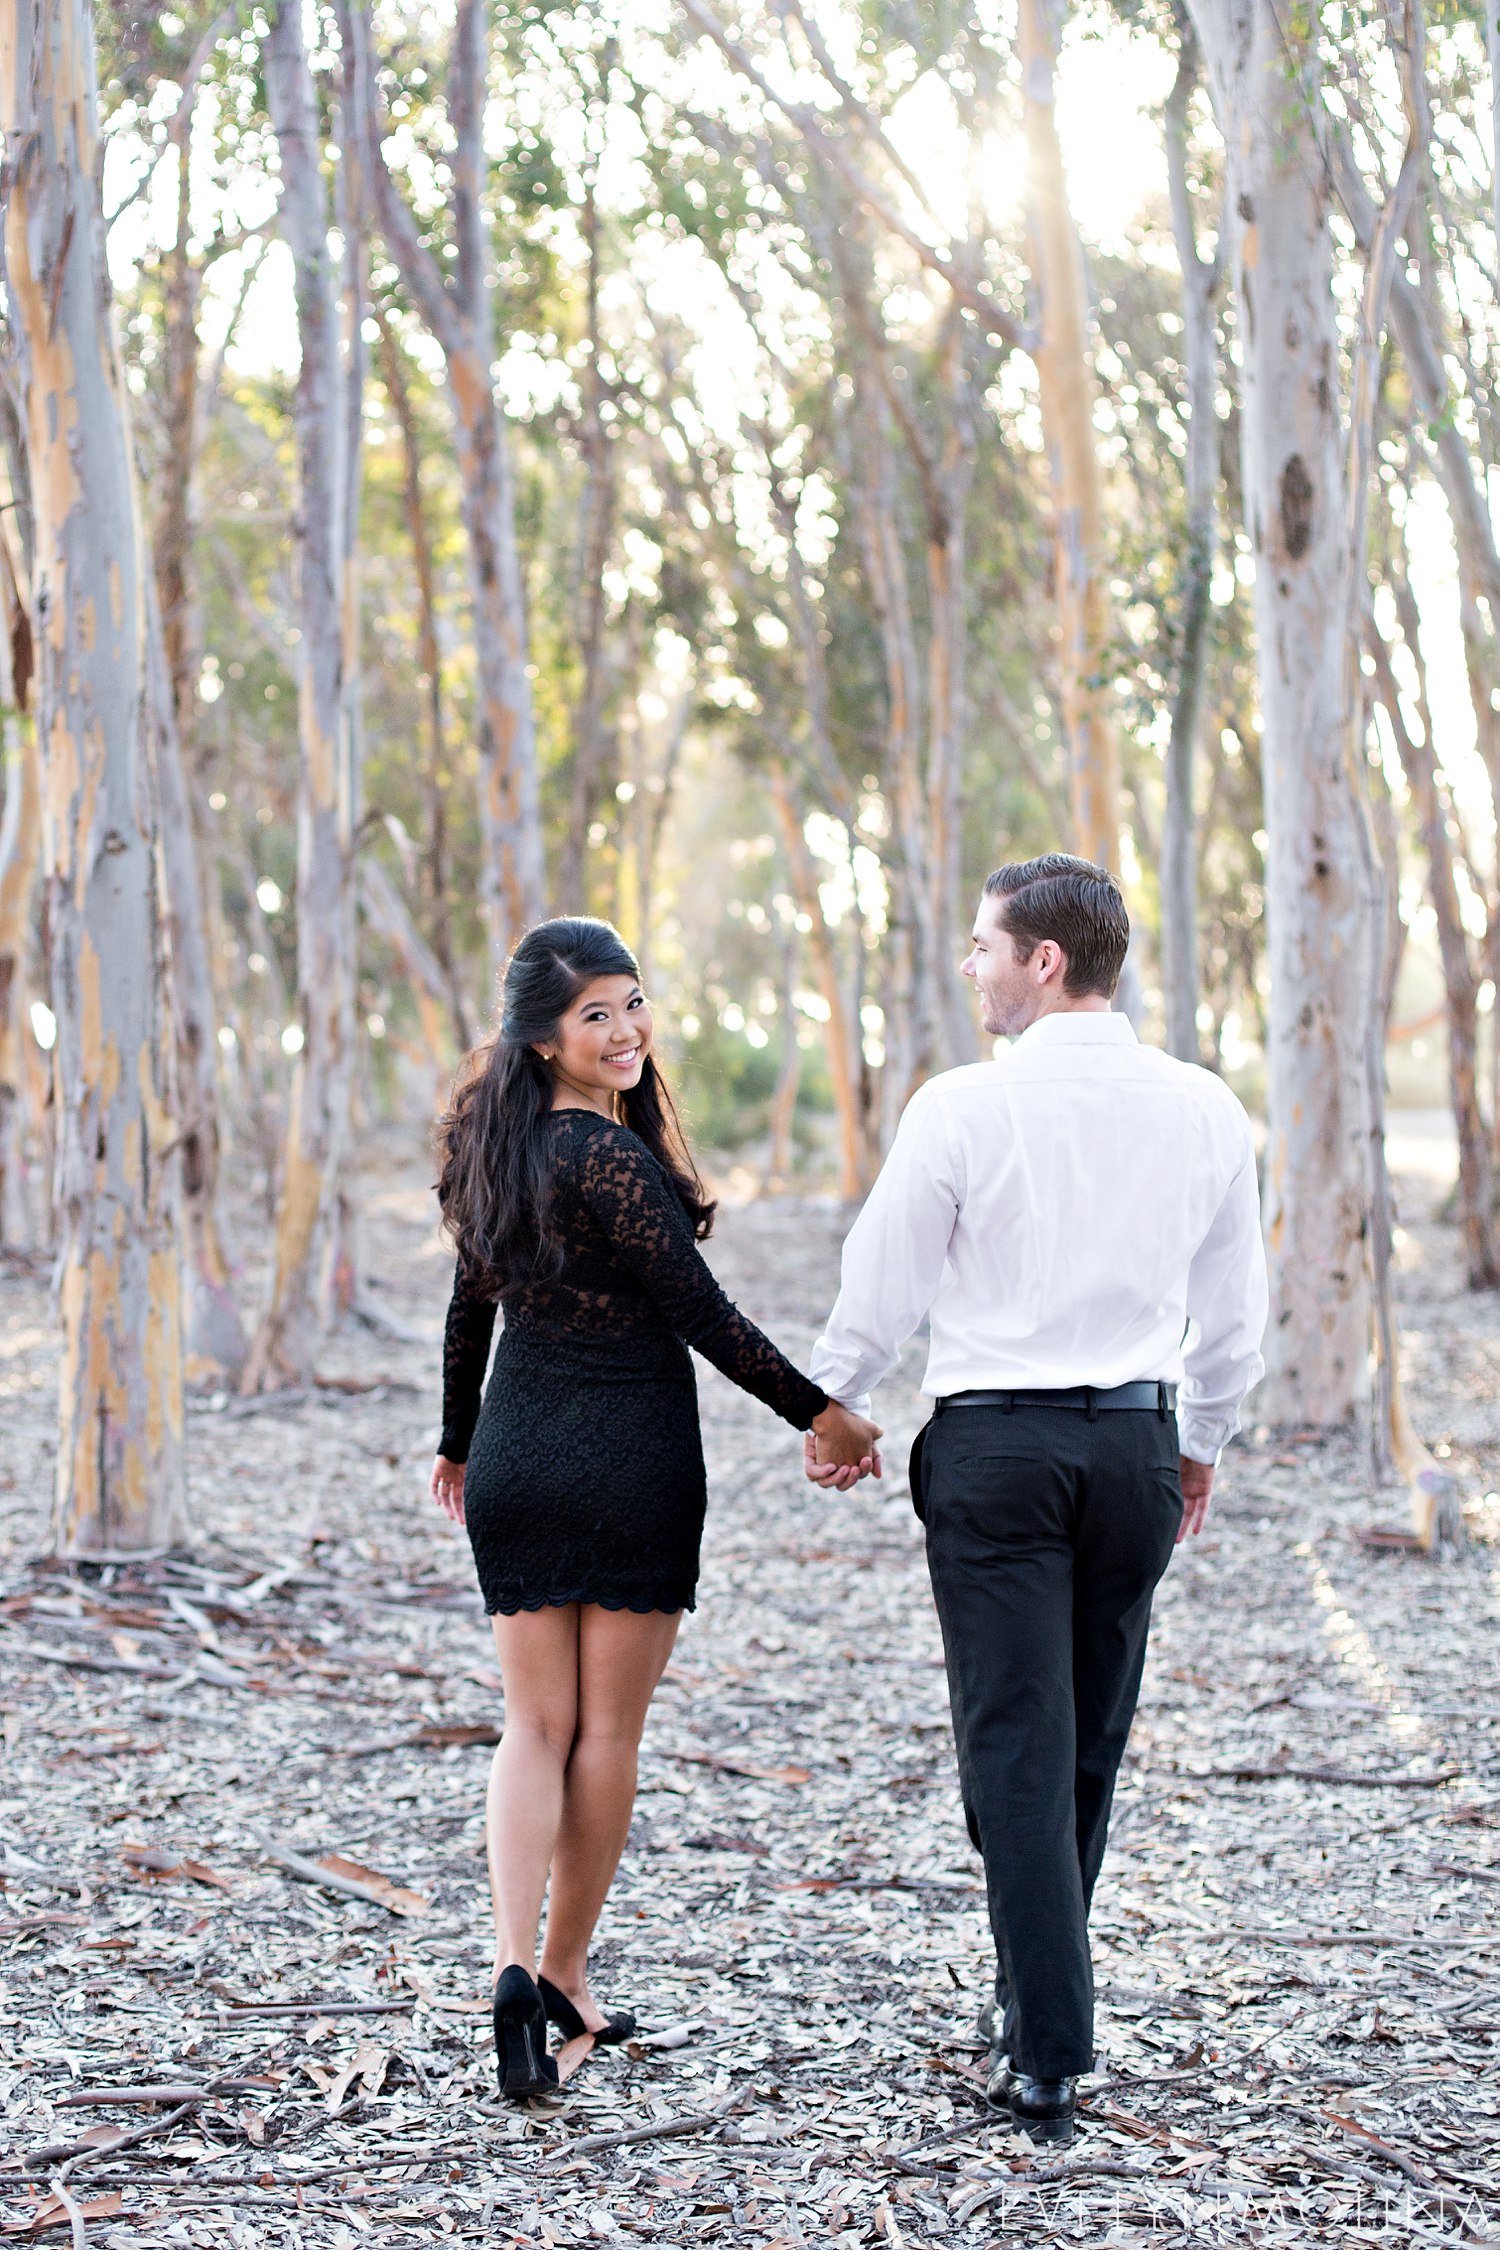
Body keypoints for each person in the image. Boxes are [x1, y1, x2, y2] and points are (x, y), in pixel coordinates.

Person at [805, 855, 1267, 2145]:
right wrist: (1202, 1443)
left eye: (983, 947)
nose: (973, 968)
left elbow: (884, 1275)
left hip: (1000, 1451)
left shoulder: (963, 1109)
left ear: (1044, 962)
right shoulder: (1204, 1107)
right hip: (1134, 1443)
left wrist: (834, 1404)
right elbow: (1234, 1316)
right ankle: (1036, 1988)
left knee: (1013, 1738)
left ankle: (1050, 2044)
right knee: (1083, 1736)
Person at [431, 917, 881, 2099]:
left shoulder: (497, 1149)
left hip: (520, 1457)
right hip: (627, 1459)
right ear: (543, 1037)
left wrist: (457, 1444)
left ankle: (511, 1967)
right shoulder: (608, 1157)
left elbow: (468, 1313)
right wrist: (822, 1414)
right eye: (596, 1015)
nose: (626, 1031)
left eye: (633, 1003)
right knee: (606, 1736)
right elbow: (708, 1318)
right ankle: (567, 1969)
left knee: (533, 1728)